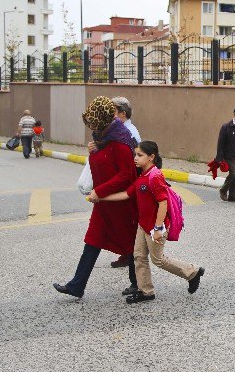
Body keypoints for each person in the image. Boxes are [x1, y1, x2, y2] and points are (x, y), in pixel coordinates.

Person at [95, 141, 204, 304]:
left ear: (151, 157)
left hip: (155, 227)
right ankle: (146, 291)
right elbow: (126, 194)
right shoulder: (142, 176)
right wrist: (101, 198)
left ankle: (192, 272)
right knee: (139, 256)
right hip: (143, 224)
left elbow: (163, 203)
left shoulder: (155, 176)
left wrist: (158, 228)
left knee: (158, 260)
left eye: (140, 155)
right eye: (135, 155)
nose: (135, 159)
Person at [53, 96, 138, 298]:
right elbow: (101, 166)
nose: (91, 126)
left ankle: (139, 283)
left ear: (103, 120)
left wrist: (100, 191)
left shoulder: (121, 140)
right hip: (103, 202)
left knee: (131, 243)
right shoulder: (102, 137)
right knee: (93, 240)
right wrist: (92, 153)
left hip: (120, 203)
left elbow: (126, 175)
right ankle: (76, 285)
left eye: (93, 122)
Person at [106, 97, 141, 269]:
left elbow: (131, 161)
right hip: (123, 182)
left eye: (113, 112)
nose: (111, 116)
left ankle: (131, 255)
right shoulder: (120, 131)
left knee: (127, 221)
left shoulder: (129, 133)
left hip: (127, 183)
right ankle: (127, 253)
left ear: (123, 113)